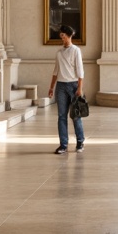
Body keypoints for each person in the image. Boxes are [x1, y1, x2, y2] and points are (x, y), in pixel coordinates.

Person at [49, 24, 85, 154]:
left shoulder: (76, 50)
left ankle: (80, 142)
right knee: (61, 116)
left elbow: (80, 71)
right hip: (61, 86)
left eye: (63, 36)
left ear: (69, 36)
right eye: (61, 36)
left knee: (75, 116)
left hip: (73, 85)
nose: (62, 38)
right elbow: (55, 71)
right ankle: (63, 144)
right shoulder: (59, 52)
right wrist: (51, 87)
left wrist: (80, 88)